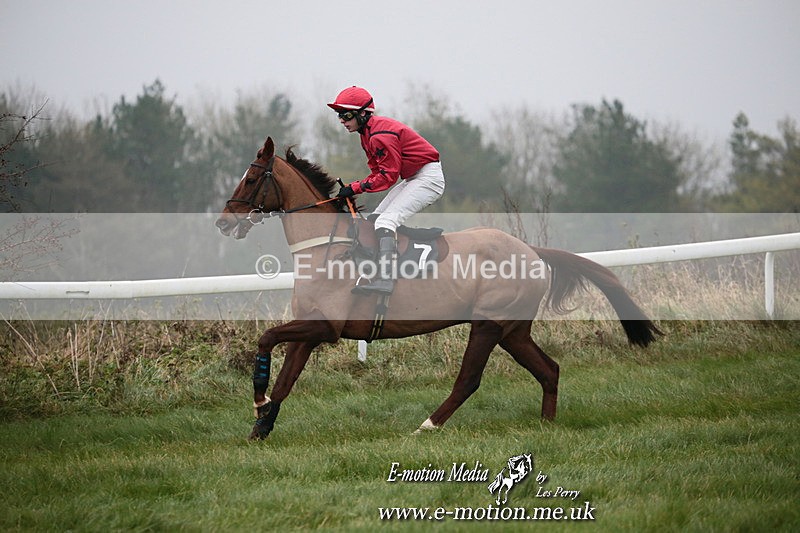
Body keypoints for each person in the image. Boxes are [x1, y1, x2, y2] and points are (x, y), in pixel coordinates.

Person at [328, 86, 445, 295]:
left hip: (428, 178)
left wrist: (354, 188)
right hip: (414, 176)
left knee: (385, 222)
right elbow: (377, 172)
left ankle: (386, 279)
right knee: (374, 220)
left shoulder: (379, 135)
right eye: (339, 115)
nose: (342, 121)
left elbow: (387, 177)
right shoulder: (366, 133)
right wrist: (351, 190)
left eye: (346, 115)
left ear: (363, 113)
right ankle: (373, 272)